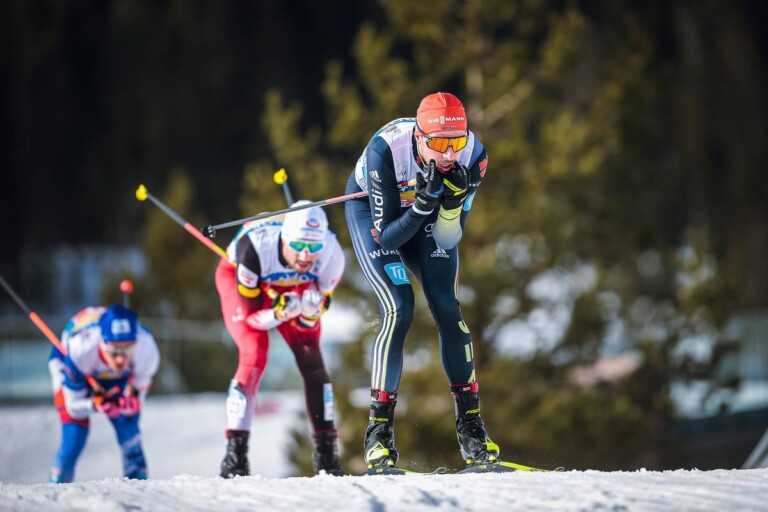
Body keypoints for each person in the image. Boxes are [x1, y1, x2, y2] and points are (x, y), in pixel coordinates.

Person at [344, 92, 500, 471]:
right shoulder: (385, 150)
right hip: (376, 215)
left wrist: (450, 203)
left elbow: (448, 238)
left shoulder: (473, 157)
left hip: (425, 214)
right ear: (418, 136)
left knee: (448, 307)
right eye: (439, 144)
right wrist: (422, 205)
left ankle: (471, 429)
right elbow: (387, 236)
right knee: (400, 308)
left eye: (456, 142)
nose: (449, 154)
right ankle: (378, 432)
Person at [215, 201, 345, 477]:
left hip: (292, 284)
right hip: (245, 281)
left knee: (311, 358)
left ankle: (327, 456)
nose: (306, 255)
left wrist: (309, 310)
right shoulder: (252, 249)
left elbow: (313, 317)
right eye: (298, 246)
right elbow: (251, 317)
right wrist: (280, 312)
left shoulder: (332, 254)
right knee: (254, 352)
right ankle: (235, 457)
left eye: (314, 248)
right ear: (285, 238)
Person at [48, 304, 161, 483]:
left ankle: (139, 491)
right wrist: (94, 404)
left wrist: (132, 401)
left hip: (113, 375)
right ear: (102, 342)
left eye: (127, 351)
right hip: (73, 364)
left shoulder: (146, 349)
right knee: (75, 434)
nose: (120, 359)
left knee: (128, 426)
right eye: (114, 351)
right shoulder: (80, 350)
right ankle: (57, 486)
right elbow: (73, 408)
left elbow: (138, 399)